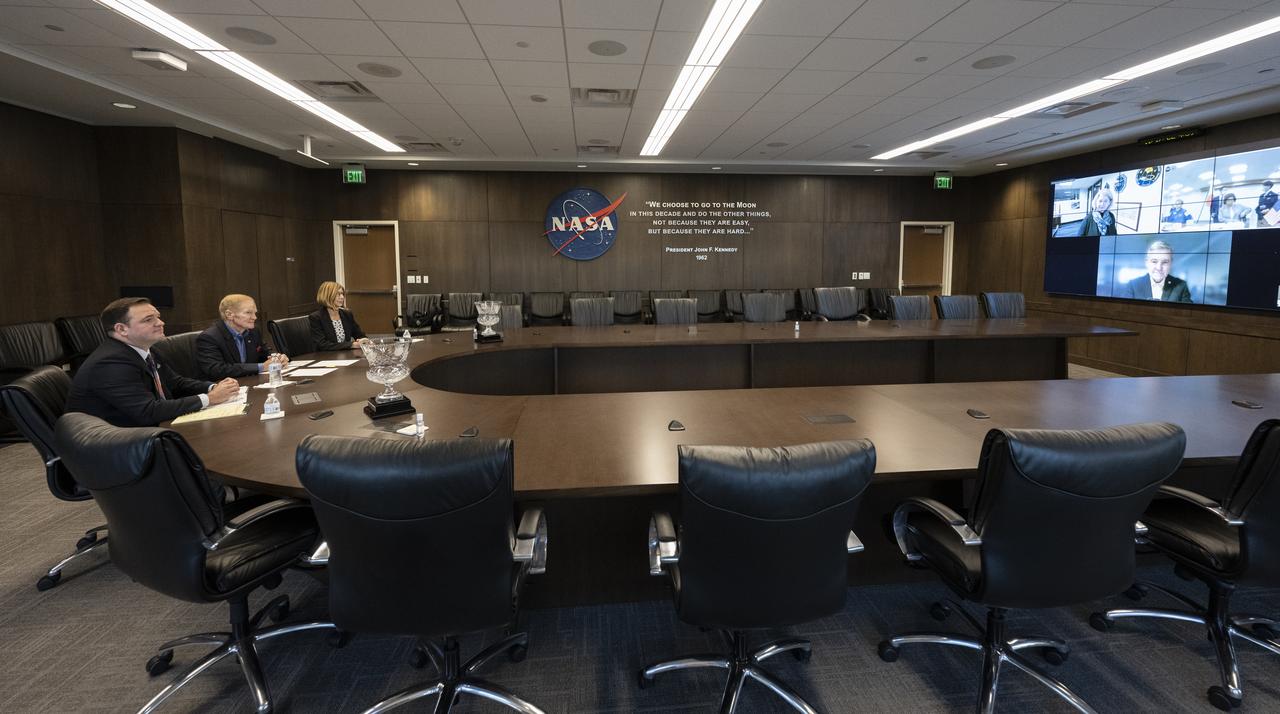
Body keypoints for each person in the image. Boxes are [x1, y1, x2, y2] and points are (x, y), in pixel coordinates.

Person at [66, 297, 240, 427]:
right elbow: (147, 412)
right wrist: (209, 398)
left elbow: (176, 383)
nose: (161, 323)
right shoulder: (110, 363)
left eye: (158, 317)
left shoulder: (145, 349)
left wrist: (212, 388)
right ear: (121, 329)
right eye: (149, 320)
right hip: (117, 446)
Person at [196, 294, 289, 380]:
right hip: (223, 389)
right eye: (248, 313)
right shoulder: (209, 337)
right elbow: (216, 370)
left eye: (255, 313)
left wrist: (277, 358)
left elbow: (265, 352)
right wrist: (261, 367)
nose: (254, 317)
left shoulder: (253, 331)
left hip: (250, 382)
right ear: (229, 315)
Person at [1117, 240, 1193, 303]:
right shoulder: (1133, 285)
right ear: (1147, 262)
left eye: (1165, 262)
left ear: (1171, 264)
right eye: (1154, 261)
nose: (1159, 268)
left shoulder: (1181, 286)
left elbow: (1188, 315)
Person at [309, 281, 369, 351]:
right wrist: (352, 345)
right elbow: (322, 345)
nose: (342, 297)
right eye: (338, 294)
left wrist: (364, 340)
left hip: (346, 355)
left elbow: (359, 334)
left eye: (342, 294)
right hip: (326, 357)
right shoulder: (316, 317)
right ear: (327, 296)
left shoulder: (347, 314)